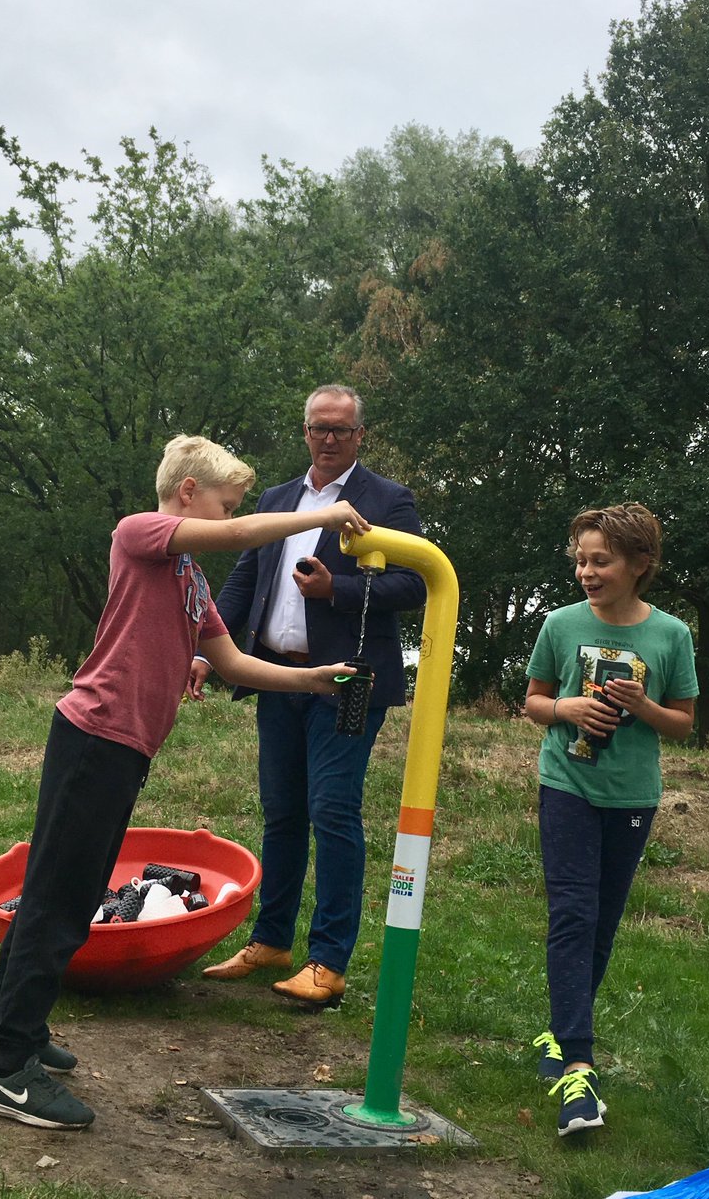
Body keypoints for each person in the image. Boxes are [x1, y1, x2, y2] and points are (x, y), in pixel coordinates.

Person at [0, 434, 370, 1131]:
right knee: (61, 900)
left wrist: (309, 679)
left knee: (73, 888)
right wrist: (321, 517)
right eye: (223, 503)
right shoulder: (140, 533)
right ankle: (9, 1070)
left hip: (122, 749)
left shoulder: (188, 581)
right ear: (188, 494)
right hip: (94, 735)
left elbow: (233, 663)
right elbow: (241, 534)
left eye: (233, 507)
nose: (230, 516)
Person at [193, 384, 425, 1009]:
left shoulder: (386, 499)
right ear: (304, 433)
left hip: (348, 681)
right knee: (283, 812)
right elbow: (245, 579)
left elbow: (417, 583)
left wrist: (336, 592)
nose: (328, 439)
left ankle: (328, 961)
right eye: (318, 428)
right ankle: (271, 941)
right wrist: (202, 651)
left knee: (334, 813)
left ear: (359, 436)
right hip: (276, 677)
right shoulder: (276, 500)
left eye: (340, 430)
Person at [523, 503, 698, 1137]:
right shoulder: (560, 624)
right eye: (580, 560)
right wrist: (569, 707)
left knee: (601, 921)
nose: (586, 572)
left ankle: (558, 1033)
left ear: (639, 565)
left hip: (632, 796)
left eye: (601, 561)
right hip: (565, 784)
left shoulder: (670, 635)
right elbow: (535, 701)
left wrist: (641, 705)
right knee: (573, 911)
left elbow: (682, 722)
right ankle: (579, 1066)